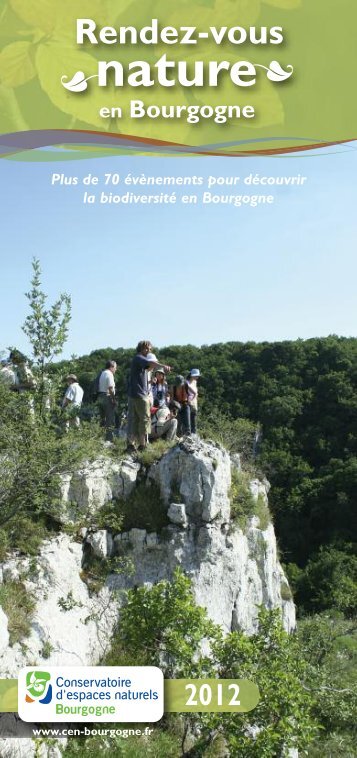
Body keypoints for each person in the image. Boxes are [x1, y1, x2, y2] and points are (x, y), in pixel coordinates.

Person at [127, 340, 171, 452]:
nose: (149, 351)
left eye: (150, 349)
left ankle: (131, 445)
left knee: (135, 420)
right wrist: (163, 366)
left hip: (134, 394)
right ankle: (143, 445)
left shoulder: (137, 360)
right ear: (142, 348)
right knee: (145, 419)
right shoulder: (139, 358)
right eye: (148, 348)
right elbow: (151, 363)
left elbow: (148, 367)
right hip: (140, 395)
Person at [97, 360, 117, 441]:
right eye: (115, 368)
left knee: (102, 420)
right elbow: (110, 388)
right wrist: (114, 399)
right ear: (111, 367)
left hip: (100, 396)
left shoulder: (102, 373)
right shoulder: (109, 374)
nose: (116, 369)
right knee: (110, 420)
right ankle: (109, 440)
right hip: (107, 397)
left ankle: (100, 439)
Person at [186, 368, 200, 434]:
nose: (197, 377)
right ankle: (188, 433)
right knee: (188, 419)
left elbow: (196, 393)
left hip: (194, 402)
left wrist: (194, 399)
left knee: (194, 419)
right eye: (196, 376)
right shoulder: (186, 382)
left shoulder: (195, 382)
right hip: (188, 402)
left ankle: (194, 434)